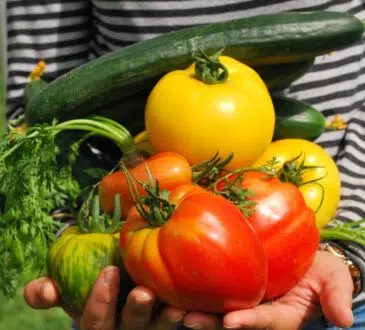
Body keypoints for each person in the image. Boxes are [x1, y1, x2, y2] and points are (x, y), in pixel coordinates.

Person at [4, 0, 365, 329]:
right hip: (135, 273)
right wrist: (80, 247)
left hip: (325, 276)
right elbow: (35, 107)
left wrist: (348, 254)